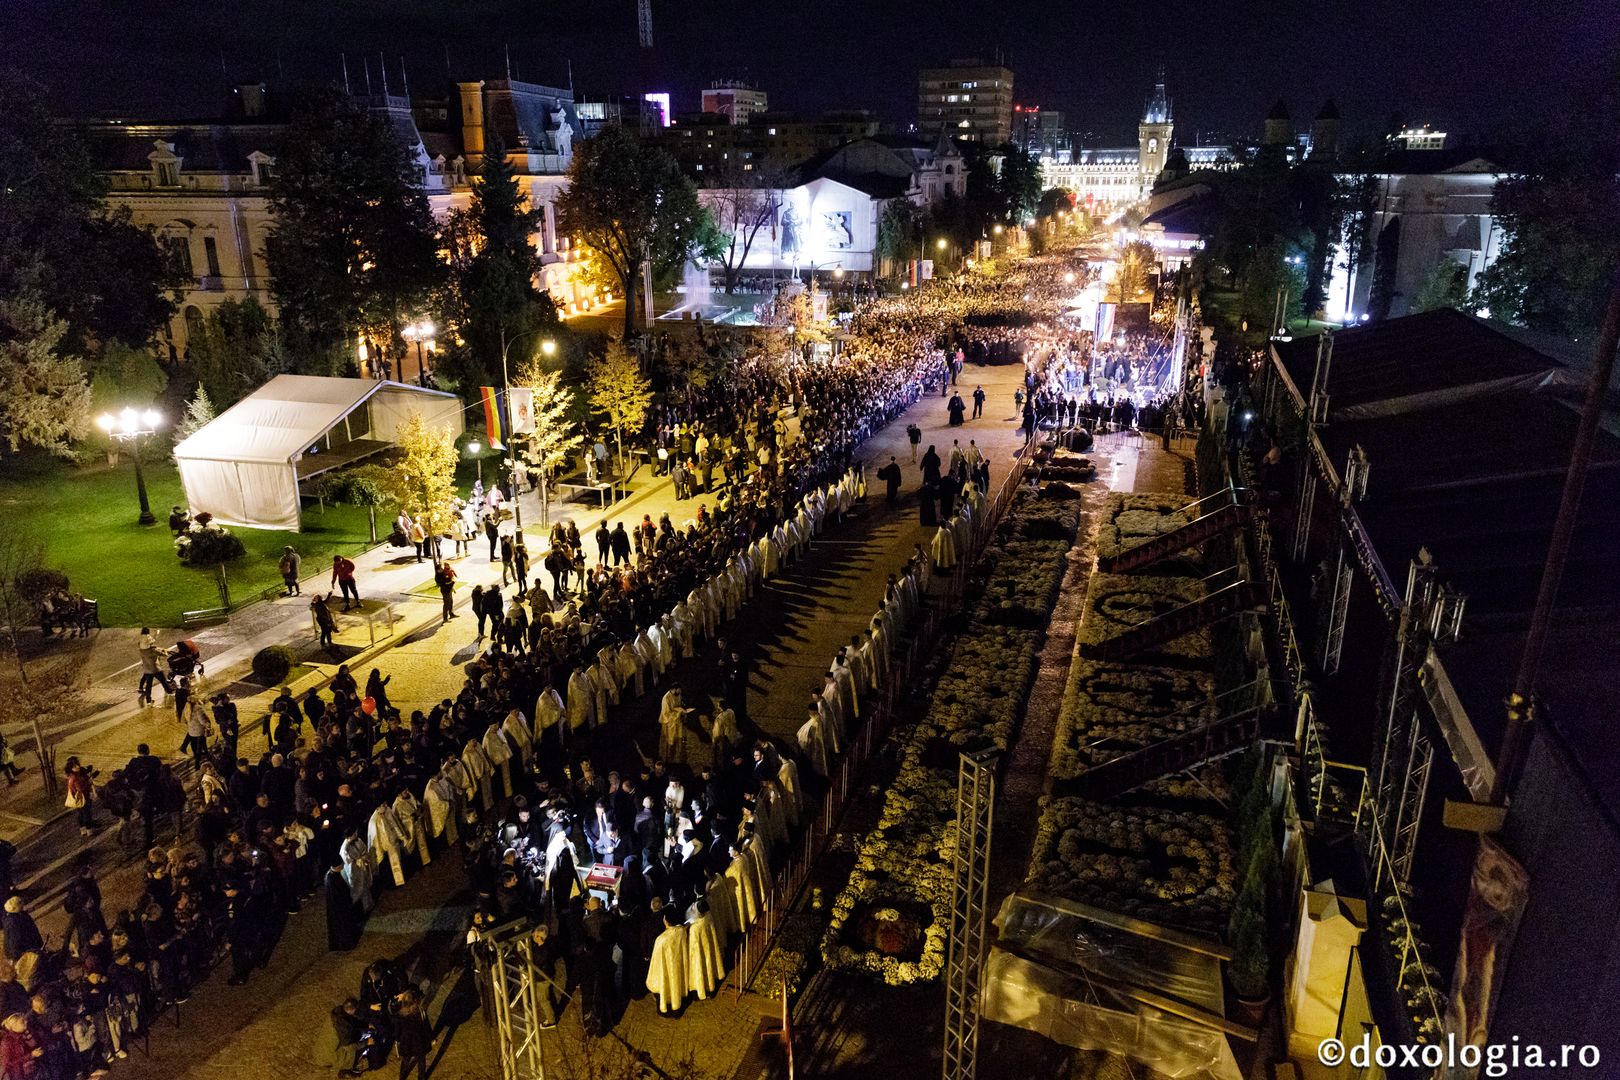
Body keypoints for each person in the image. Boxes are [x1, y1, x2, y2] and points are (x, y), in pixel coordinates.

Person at [137, 628, 172, 705]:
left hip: (147, 670)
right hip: (156, 669)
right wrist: (165, 652)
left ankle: (148, 701)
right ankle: (170, 692)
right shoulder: (153, 650)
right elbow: (164, 654)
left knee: (148, 686)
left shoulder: (141, 651)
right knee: (163, 681)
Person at [63, 758, 96, 837]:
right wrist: (88, 782)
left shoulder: (73, 775)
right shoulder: (75, 777)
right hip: (83, 797)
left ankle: (83, 830)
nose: (78, 766)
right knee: (86, 813)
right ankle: (89, 830)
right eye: (75, 766)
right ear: (71, 768)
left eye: (77, 764)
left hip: (78, 798)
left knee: (81, 813)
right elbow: (81, 788)